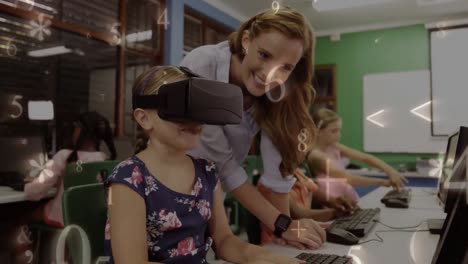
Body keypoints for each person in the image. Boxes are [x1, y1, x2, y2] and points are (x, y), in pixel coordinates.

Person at [104, 66, 304, 264]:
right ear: (144, 118)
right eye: (180, 108)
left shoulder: (206, 172)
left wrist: (262, 257)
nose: (194, 120)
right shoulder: (128, 179)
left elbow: (224, 240)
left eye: (198, 109)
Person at [181, 7, 336, 249]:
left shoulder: (278, 95)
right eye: (264, 55)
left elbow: (278, 175)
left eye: (285, 67)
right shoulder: (203, 64)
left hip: (211, 197)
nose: (269, 74)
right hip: (165, 192)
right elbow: (224, 165)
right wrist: (284, 225)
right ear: (246, 41)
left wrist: (285, 235)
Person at [24, 111, 116, 227]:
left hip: (63, 218)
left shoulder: (64, 156)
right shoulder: (104, 161)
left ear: (80, 131)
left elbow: (36, 191)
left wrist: (26, 185)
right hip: (88, 221)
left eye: (75, 128)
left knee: (24, 216)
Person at [307, 108, 408, 200]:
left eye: (339, 130)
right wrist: (382, 182)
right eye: (334, 131)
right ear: (318, 131)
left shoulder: (334, 146)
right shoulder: (316, 156)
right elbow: (349, 179)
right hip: (335, 203)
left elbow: (365, 158)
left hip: (347, 197)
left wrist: (390, 171)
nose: (339, 135)